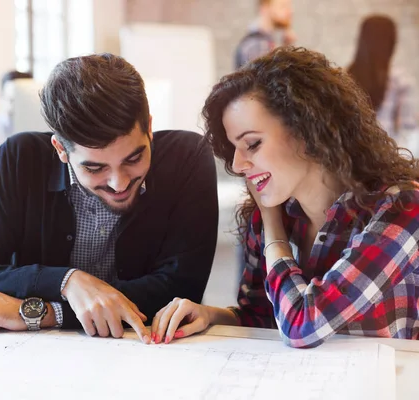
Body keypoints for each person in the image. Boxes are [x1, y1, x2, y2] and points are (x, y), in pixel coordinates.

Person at [151, 47, 419, 348]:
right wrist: (210, 315)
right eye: (234, 148)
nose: (238, 165)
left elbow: (301, 324)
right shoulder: (274, 210)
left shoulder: (401, 209)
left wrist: (273, 230)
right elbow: (266, 316)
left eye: (252, 144)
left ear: (307, 130)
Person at [0, 53, 219, 343]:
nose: (120, 183)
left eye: (134, 157)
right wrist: (67, 281)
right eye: (95, 167)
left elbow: (179, 290)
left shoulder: (188, 158)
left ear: (149, 128)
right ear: (60, 150)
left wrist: (49, 312)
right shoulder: (18, 160)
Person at [348, 15, 418, 151]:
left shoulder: (343, 77)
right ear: (392, 43)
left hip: (349, 162)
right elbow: (408, 134)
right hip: (386, 161)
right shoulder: (401, 80)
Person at [234, 0, 296, 69]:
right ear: (265, 8)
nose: (290, 11)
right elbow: (272, 78)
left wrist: (286, 47)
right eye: (283, 6)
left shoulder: (263, 42)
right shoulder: (258, 45)